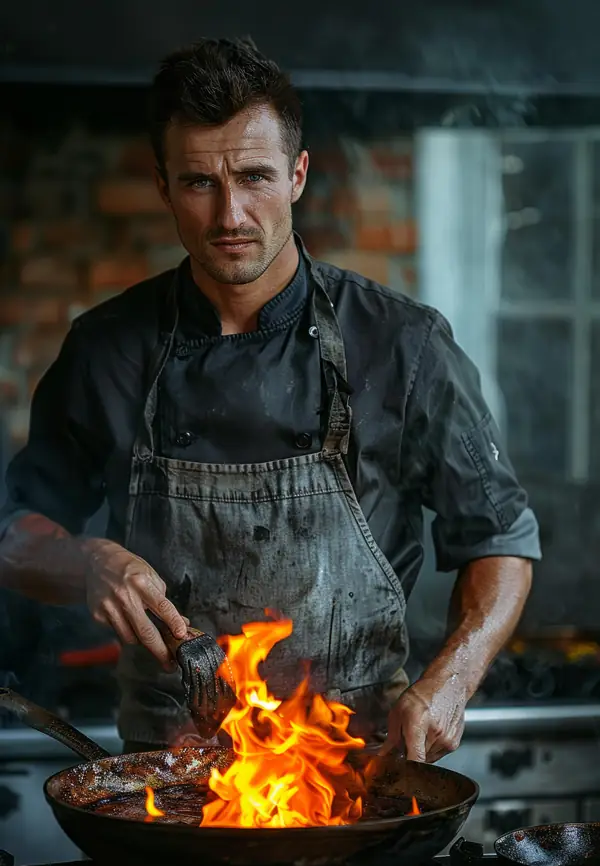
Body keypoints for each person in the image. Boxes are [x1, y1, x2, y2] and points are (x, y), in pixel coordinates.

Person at [0, 37, 540, 761]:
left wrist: (451, 679)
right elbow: (15, 532)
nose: (231, 214)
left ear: (297, 175)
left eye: (254, 177)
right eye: (199, 183)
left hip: (355, 774)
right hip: (171, 786)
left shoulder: (404, 345)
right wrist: (86, 562)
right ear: (162, 186)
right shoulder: (105, 350)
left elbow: (500, 536)